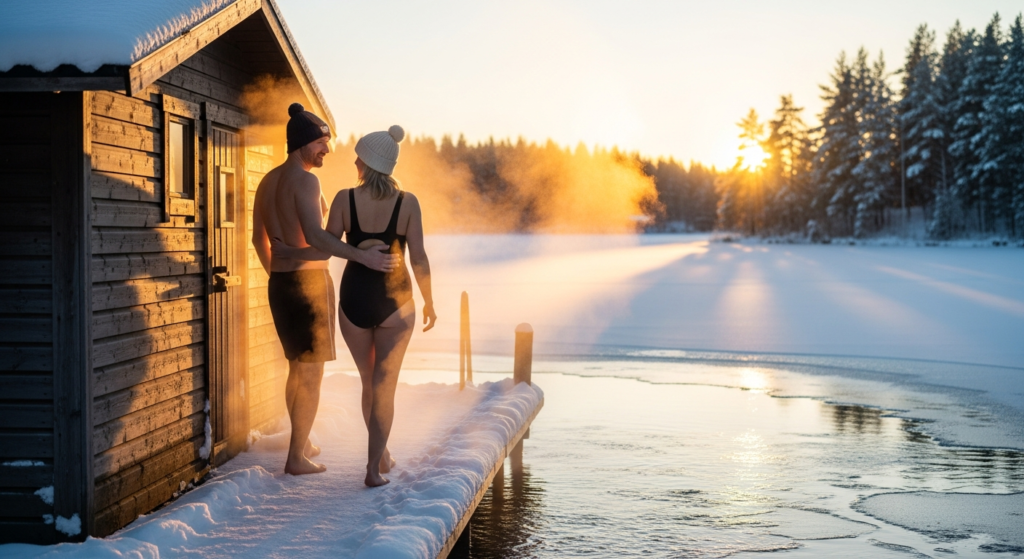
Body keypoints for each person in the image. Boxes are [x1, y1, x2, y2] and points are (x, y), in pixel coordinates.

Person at [272, 124, 437, 487]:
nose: (354, 162)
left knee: (369, 382)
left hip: (354, 303)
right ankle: (373, 467)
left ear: (366, 163)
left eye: (358, 158)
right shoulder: (407, 203)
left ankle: (382, 456)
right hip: (397, 302)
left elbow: (326, 247)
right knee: (386, 385)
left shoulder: (345, 199)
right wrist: (429, 301)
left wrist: (291, 253)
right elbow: (420, 258)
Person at [251, 103, 399, 476]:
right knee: (311, 375)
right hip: (309, 286)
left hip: (281, 285)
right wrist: (359, 257)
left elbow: (257, 239)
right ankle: (296, 458)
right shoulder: (307, 181)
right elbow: (318, 237)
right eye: (321, 143)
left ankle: (300, 442)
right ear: (302, 143)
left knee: (295, 370)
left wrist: (279, 271)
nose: (327, 151)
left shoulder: (267, 181)